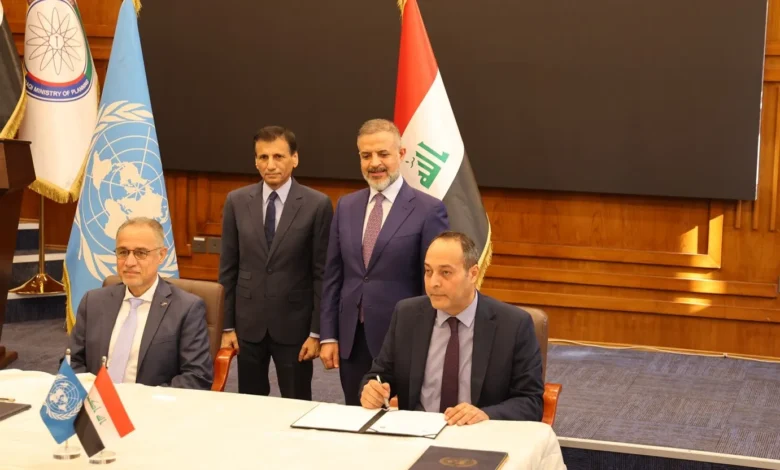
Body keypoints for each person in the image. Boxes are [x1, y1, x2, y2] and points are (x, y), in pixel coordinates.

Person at [320, 118, 449, 405]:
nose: (374, 163)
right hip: (352, 339)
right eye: (366, 155)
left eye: (383, 154)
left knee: (401, 419)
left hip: (403, 340)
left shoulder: (429, 210)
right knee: (355, 413)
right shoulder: (346, 206)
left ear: (401, 154)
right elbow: (333, 276)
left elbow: (433, 283)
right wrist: (328, 335)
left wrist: (430, 341)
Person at [360, 232, 544, 424]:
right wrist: (372, 390)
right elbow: (380, 375)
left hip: (478, 434)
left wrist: (486, 414)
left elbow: (531, 402)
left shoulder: (513, 325)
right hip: (418, 432)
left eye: (445, 273)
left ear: (473, 274)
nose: (433, 283)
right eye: (428, 271)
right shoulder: (407, 315)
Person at [219, 126, 333, 399]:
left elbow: (322, 274)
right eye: (263, 157)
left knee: (296, 402)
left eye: (278, 156)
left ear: (295, 158)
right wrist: (227, 327)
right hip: (248, 326)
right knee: (250, 402)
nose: (270, 165)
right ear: (256, 161)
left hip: (295, 327)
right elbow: (228, 269)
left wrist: (316, 332)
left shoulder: (317, 204)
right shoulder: (236, 201)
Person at [69, 217, 213, 390]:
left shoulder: (186, 309)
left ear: (161, 255)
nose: (129, 262)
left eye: (141, 253)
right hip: (96, 402)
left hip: (151, 404)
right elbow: (72, 361)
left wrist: (143, 400)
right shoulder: (93, 301)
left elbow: (196, 377)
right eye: (123, 252)